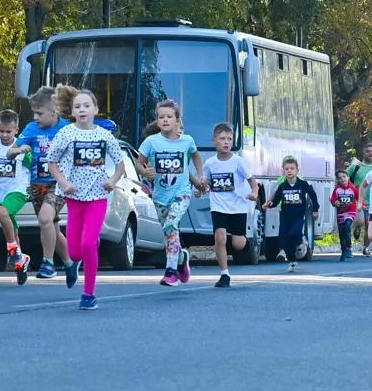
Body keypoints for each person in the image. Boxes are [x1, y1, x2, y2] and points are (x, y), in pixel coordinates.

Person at [44, 89, 129, 308]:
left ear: (95, 110)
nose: (82, 109)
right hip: (73, 197)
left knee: (88, 243)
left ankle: (89, 294)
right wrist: (63, 183)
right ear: (72, 112)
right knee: (74, 251)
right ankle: (82, 254)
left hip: (98, 196)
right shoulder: (66, 134)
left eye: (86, 106)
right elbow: (51, 162)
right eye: (78, 106)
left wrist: (113, 180)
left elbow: (120, 164)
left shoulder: (104, 135)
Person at [137, 99, 202, 286]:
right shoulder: (151, 142)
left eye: (169, 117)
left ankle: (171, 271)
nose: (165, 120)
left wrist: (201, 175)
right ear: (157, 121)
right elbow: (138, 163)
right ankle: (181, 257)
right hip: (160, 196)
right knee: (169, 233)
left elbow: (195, 156)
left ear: (177, 120)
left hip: (181, 193)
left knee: (171, 225)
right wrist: (145, 171)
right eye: (161, 117)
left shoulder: (186, 141)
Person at [15, 87, 68, 278]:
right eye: (34, 113)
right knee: (50, 225)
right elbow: (11, 151)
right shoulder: (31, 129)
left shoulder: (66, 129)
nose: (36, 117)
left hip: (58, 184)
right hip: (37, 184)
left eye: (40, 113)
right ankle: (71, 262)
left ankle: (48, 264)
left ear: (54, 110)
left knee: (45, 219)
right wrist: (18, 151)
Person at [203, 123, 257, 287]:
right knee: (220, 238)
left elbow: (252, 181)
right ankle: (224, 274)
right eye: (222, 139)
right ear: (214, 141)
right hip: (218, 206)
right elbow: (205, 182)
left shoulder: (238, 161)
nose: (226, 142)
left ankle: (248, 243)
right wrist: (200, 190)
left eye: (229, 139)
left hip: (237, 207)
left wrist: (254, 193)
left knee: (238, 244)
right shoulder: (210, 163)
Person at [0, 109, 34, 285]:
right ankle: (21, 262)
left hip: (18, 190)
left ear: (16, 130)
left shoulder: (22, 148)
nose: (5, 135)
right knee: (11, 228)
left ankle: (12, 250)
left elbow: (33, 167)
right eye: (1, 131)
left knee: (2, 214)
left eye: (9, 131)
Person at [265, 157, 321, 272]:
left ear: (297, 171)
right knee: (283, 240)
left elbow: (313, 196)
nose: (289, 171)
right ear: (283, 171)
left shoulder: (303, 184)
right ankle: (292, 261)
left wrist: (316, 210)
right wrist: (268, 205)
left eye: (292, 168)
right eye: (286, 169)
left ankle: (301, 241)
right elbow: (275, 201)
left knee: (294, 234)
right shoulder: (282, 186)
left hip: (298, 216)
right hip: (285, 216)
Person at [330, 166, 361, 260]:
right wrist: (335, 203)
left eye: (344, 176)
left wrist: (362, 204)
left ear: (348, 177)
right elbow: (332, 200)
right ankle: (344, 252)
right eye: (339, 178)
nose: (342, 179)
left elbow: (359, 198)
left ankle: (348, 248)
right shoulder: (337, 190)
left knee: (347, 226)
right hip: (340, 214)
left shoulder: (353, 189)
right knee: (342, 232)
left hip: (350, 212)